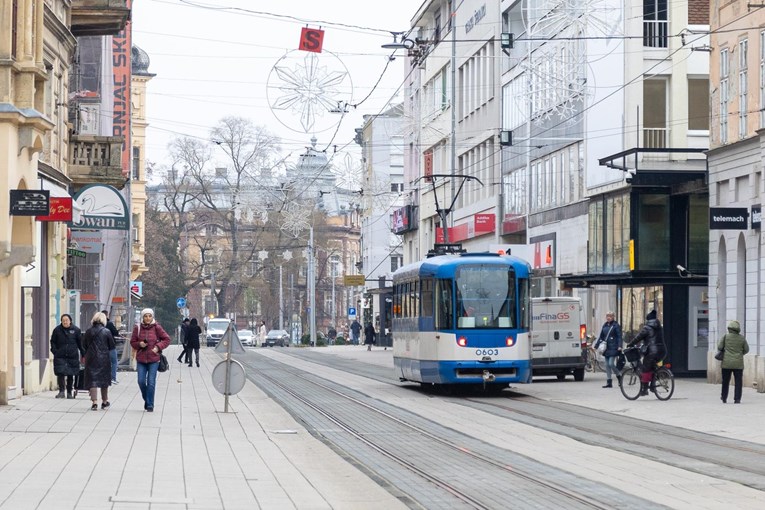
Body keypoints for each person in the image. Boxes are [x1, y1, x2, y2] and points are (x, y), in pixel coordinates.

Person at [130, 308, 171, 412]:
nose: (148, 318)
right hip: (141, 359)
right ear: (142, 317)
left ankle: (150, 405)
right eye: (145, 316)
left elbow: (167, 339)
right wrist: (140, 344)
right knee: (141, 381)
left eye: (150, 316)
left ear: (152, 317)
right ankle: (147, 399)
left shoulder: (157, 327)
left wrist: (158, 347)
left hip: (154, 359)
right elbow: (132, 342)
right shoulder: (138, 328)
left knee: (151, 382)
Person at [627, 310, 666, 396]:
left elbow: (638, 337)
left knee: (645, 369)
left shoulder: (647, 328)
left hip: (652, 352)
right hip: (662, 351)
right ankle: (652, 385)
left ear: (648, 320)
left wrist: (630, 344)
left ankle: (644, 390)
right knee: (651, 367)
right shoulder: (659, 327)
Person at [82, 312, 115, 411]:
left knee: (93, 380)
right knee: (104, 380)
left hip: (91, 358)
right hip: (104, 358)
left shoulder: (88, 331)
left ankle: (94, 402)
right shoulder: (107, 331)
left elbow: (84, 344)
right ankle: (105, 401)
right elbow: (112, 345)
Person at [50, 314, 84, 399]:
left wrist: (84, 354)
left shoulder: (76, 330)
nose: (65, 322)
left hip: (72, 356)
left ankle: (69, 392)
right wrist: (55, 351)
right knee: (60, 373)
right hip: (60, 355)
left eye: (66, 320)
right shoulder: (57, 330)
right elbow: (53, 341)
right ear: (61, 321)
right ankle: (61, 391)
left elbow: (80, 343)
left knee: (70, 373)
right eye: (63, 320)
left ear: (70, 321)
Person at [717, 320, 750, 404]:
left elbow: (719, 347)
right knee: (738, 382)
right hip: (738, 364)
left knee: (725, 381)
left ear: (729, 328)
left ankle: (724, 397)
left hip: (726, 363)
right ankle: (737, 399)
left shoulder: (725, 337)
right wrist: (740, 354)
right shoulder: (742, 338)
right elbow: (746, 349)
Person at [594, 311, 623, 388]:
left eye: (610, 316)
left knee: (611, 363)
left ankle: (619, 375)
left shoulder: (616, 325)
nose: (608, 317)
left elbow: (619, 336)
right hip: (606, 348)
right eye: (607, 316)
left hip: (614, 347)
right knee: (607, 365)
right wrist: (596, 346)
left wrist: (620, 346)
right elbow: (601, 337)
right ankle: (609, 382)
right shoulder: (605, 325)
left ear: (613, 317)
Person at [102, 310, 120, 385]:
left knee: (104, 363)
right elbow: (115, 332)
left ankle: (103, 377)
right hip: (110, 346)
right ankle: (113, 378)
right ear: (107, 315)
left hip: (101, 347)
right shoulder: (109, 323)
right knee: (114, 362)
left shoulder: (98, 325)